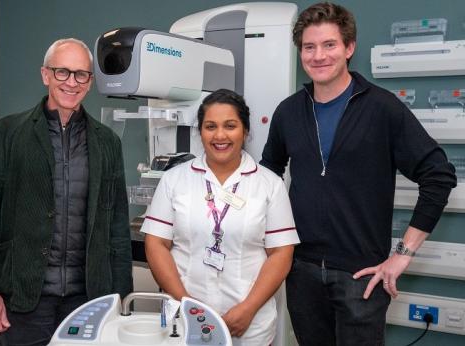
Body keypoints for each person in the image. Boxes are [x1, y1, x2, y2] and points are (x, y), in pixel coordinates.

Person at [260, 3, 457, 345]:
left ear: (349, 48)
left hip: (361, 275)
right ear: (300, 53)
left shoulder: (382, 108)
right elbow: (268, 177)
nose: (318, 55)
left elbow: (438, 175)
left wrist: (402, 255)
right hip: (300, 271)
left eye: (329, 45)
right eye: (309, 47)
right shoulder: (289, 112)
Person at [0, 38, 133, 345]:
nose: (72, 82)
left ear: (90, 81)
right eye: (62, 72)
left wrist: (122, 298)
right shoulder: (8, 133)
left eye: (81, 74)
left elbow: (117, 229)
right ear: (46, 75)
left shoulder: (107, 142)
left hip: (87, 298)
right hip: (25, 298)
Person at [141, 89, 300, 346]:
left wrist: (248, 309)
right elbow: (156, 244)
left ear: (245, 131)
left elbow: (282, 253)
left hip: (249, 324)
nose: (220, 135)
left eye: (230, 126)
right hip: (183, 318)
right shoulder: (174, 179)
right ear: (200, 131)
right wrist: (186, 303)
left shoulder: (269, 184)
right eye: (210, 126)